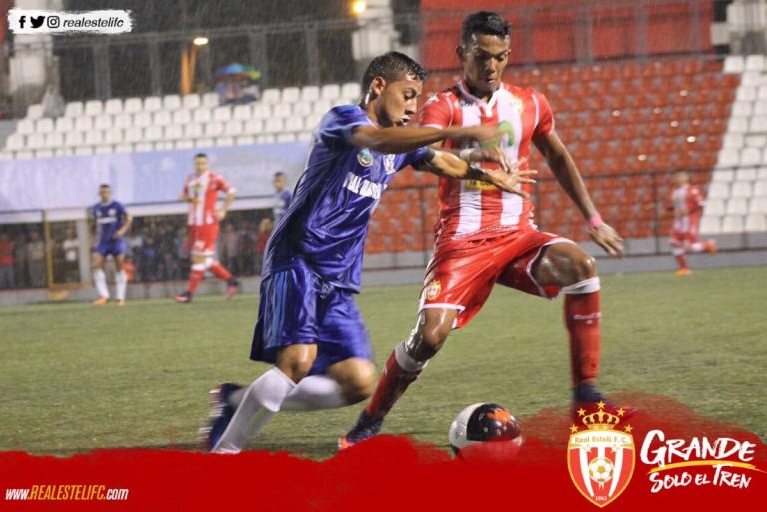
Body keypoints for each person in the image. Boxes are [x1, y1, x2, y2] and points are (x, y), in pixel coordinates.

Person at [201, 51, 533, 454]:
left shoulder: (400, 144)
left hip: (338, 277)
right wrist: (461, 131)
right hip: (299, 258)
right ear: (378, 86)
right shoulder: (343, 120)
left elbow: (442, 162)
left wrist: (484, 173)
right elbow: (375, 140)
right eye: (407, 95)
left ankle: (234, 400)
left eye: (417, 99)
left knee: (357, 381)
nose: (412, 107)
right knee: (296, 362)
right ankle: (224, 454)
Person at [341, 12, 627, 448]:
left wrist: (594, 219)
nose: (491, 66)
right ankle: (370, 419)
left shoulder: (530, 103)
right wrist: (475, 152)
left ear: (508, 55)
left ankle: (586, 396)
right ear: (462, 53)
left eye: (500, 57)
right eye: (481, 56)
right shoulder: (443, 105)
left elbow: (558, 157)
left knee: (581, 266)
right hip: (463, 242)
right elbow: (424, 155)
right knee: (429, 337)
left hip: (519, 236)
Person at [175, 154, 239, 303]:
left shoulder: (214, 178)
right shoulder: (190, 179)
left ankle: (189, 294)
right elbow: (185, 196)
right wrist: (187, 198)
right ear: (194, 164)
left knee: (198, 258)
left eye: (203, 163)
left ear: (207, 164)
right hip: (193, 223)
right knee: (203, 259)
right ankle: (231, 280)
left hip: (207, 224)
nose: (200, 166)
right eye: (198, 163)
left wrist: (223, 210)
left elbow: (231, 191)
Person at [669, 171, 716, 275]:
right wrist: (670, 209)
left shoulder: (692, 190)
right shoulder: (675, 191)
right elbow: (676, 206)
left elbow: (700, 204)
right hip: (678, 222)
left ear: (686, 178)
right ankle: (684, 269)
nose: (676, 178)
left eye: (679, 176)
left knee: (689, 246)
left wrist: (687, 211)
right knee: (674, 243)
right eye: (676, 177)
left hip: (689, 221)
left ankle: (707, 245)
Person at [91, 184, 132, 306]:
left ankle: (120, 297)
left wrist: (122, 231)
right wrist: (93, 240)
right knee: (97, 266)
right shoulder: (96, 208)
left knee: (119, 267)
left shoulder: (117, 205)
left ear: (110, 193)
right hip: (102, 242)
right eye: (102, 192)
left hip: (116, 242)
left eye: (106, 192)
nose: (104, 194)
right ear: (99, 194)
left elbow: (129, 218)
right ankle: (104, 295)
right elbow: (92, 225)